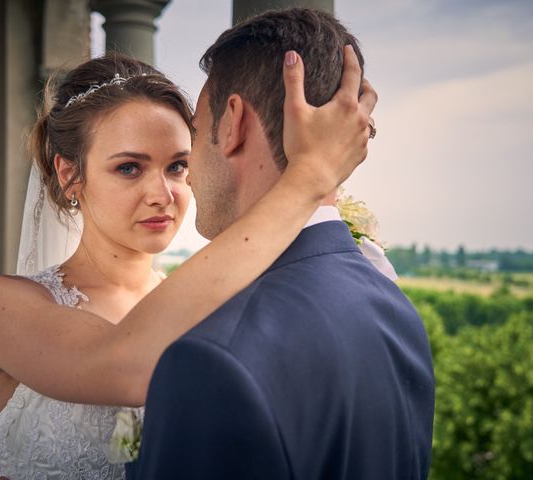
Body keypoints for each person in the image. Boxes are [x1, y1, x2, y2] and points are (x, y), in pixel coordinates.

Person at [0, 27, 377, 480]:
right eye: (129, 168)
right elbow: (124, 365)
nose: (164, 194)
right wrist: (310, 177)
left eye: (178, 165)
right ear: (69, 175)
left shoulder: (215, 306)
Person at [131, 8, 435, 480]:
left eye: (194, 133)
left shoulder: (211, 360)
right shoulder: (393, 307)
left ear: (233, 122)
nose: (187, 170)